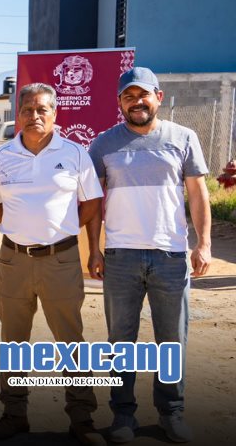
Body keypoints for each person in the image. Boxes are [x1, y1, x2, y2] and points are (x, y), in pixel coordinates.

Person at [88, 67, 211, 444]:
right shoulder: (104, 144)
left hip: (170, 256)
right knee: (121, 341)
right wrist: (93, 248)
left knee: (171, 340)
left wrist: (203, 243)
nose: (136, 102)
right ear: (119, 102)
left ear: (158, 97)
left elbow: (197, 194)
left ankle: (171, 413)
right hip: (121, 256)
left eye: (144, 95)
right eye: (128, 96)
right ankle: (123, 416)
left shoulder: (183, 137)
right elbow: (93, 204)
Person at [0, 83, 105, 446]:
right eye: (28, 109)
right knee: (13, 340)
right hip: (14, 261)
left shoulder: (76, 154)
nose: (35, 115)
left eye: (43, 109)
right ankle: (14, 414)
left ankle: (82, 418)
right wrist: (22, 230)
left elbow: (91, 203)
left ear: (55, 114)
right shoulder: (2, 157)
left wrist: (61, 231)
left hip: (61, 261)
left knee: (71, 340)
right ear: (18, 115)